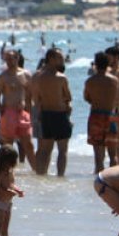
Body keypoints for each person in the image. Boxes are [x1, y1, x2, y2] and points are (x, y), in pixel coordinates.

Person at [0, 49, 36, 173]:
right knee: (8, 146)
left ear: (17, 59)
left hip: (23, 114)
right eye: (7, 59)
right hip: (8, 113)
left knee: (28, 144)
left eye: (12, 59)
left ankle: (38, 172)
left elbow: (31, 95)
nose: (9, 62)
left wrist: (28, 109)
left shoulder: (26, 74)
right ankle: (7, 172)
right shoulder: (3, 77)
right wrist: (1, 110)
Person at [32, 48, 72, 176]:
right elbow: (68, 97)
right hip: (60, 115)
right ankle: (60, 176)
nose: (62, 60)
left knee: (44, 149)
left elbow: (36, 98)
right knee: (62, 150)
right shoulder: (61, 78)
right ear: (51, 59)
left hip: (46, 114)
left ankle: (40, 175)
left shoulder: (38, 77)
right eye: (59, 58)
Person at [85, 51, 119, 173]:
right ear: (108, 64)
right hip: (110, 115)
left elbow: (87, 98)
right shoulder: (115, 81)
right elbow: (116, 99)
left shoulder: (90, 81)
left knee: (99, 156)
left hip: (96, 115)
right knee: (113, 155)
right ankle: (113, 181)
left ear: (95, 64)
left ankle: (99, 182)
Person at [0, 146, 25, 236]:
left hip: (8, 203)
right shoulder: (1, 172)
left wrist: (18, 190)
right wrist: (8, 191)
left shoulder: (10, 171)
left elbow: (11, 184)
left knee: (5, 228)